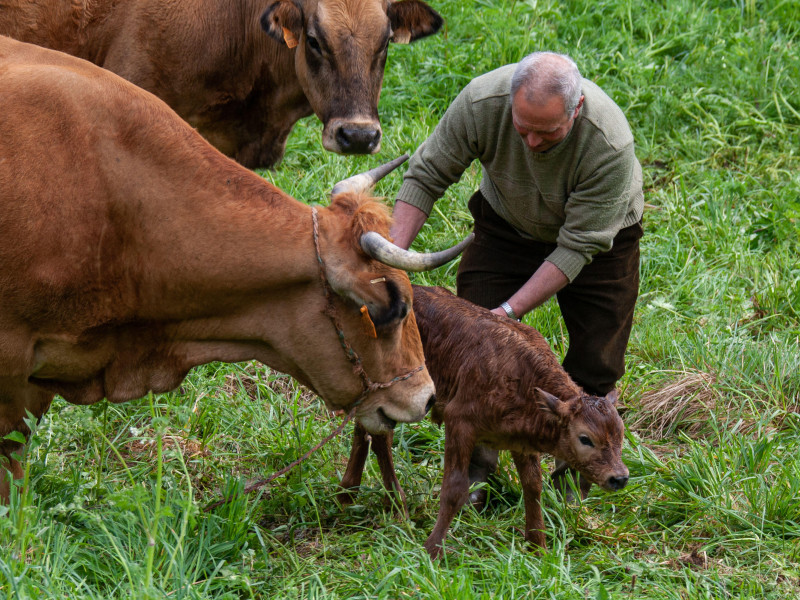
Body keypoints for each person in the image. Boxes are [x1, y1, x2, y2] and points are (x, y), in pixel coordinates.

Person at [390, 51, 644, 505]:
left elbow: (576, 247)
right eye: (521, 127)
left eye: (546, 133)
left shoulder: (608, 144)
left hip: (601, 240)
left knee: (597, 355)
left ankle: (576, 475)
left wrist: (508, 314)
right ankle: (477, 470)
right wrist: (392, 260)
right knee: (479, 358)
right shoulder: (481, 103)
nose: (529, 142)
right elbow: (427, 175)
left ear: (576, 110)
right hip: (506, 223)